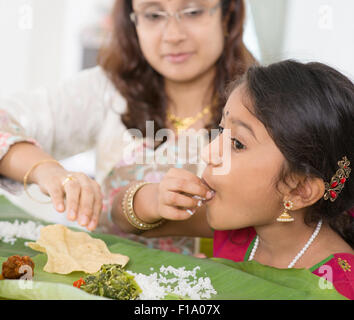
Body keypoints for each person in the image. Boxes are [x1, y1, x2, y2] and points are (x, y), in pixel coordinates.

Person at [0, 0, 254, 255]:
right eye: (153, 15)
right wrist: (46, 170)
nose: (173, 35)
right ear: (132, 20)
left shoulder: (266, 102)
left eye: (193, 12)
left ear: (227, 14)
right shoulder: (106, 91)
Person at [109, 60, 354, 299]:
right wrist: (153, 199)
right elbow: (124, 221)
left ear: (299, 190)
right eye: (221, 130)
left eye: (237, 143)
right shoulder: (242, 224)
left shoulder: (338, 286)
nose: (208, 153)